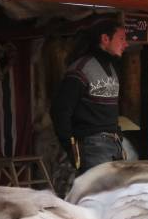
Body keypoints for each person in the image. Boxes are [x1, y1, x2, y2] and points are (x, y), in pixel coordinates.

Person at [51, 19, 128, 173]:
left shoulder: (112, 68)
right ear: (105, 39)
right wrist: (70, 146)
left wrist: (118, 134)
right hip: (92, 146)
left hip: (115, 144)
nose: (126, 44)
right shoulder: (80, 69)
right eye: (121, 38)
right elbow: (60, 110)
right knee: (100, 189)